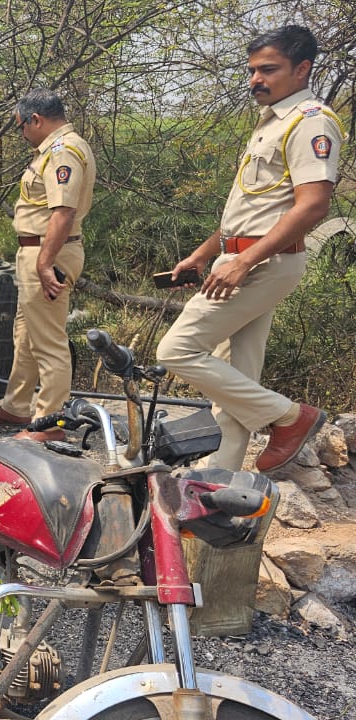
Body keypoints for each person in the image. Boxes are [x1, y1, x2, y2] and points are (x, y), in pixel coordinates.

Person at [157, 26, 340, 472]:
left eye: (268, 69)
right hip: (244, 256)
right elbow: (251, 210)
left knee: (175, 351)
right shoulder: (273, 121)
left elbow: (314, 204)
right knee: (235, 375)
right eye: (253, 70)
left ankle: (291, 418)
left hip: (262, 262)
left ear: (302, 69)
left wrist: (242, 261)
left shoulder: (310, 120)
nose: (256, 78)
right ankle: (221, 480)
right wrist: (204, 255)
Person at [0, 89, 96, 442]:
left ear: (36, 120)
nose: (22, 135)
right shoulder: (57, 150)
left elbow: (63, 212)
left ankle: (50, 425)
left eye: (21, 127)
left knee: (49, 342)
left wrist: (45, 263)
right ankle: (17, 406)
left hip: (49, 252)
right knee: (26, 334)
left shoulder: (64, 152)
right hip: (38, 251)